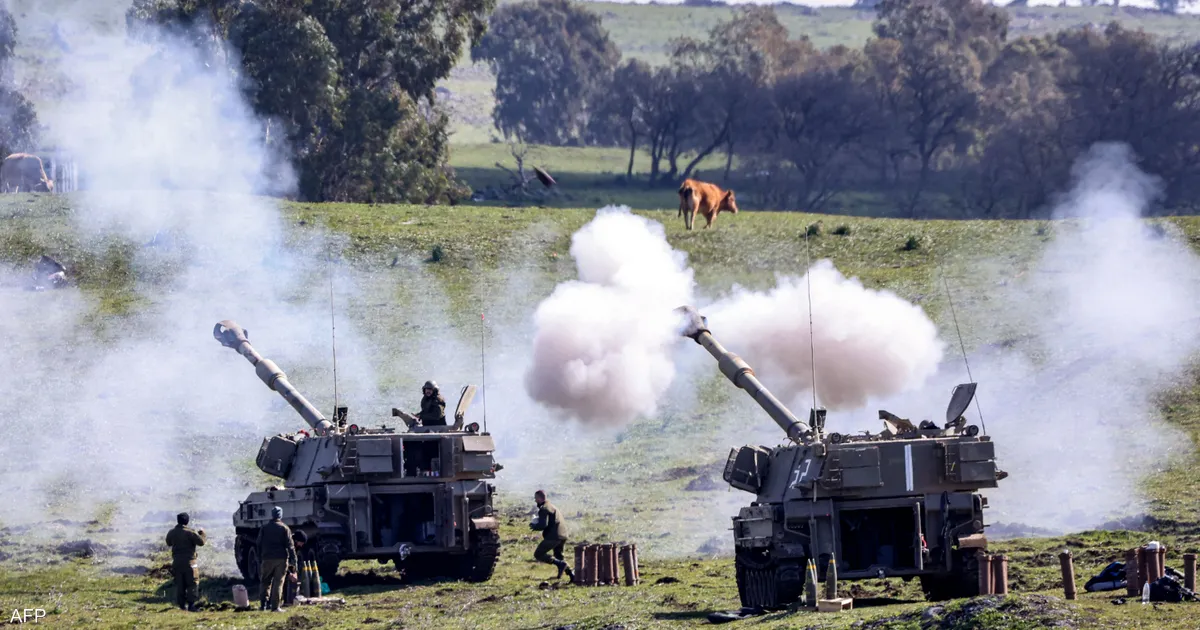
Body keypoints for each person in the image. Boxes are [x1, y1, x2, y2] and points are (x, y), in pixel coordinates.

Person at [257, 506, 296, 612]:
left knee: (265, 582)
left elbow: (258, 543)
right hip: (281, 559)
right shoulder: (284, 528)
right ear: (281, 515)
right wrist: (294, 560)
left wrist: (259, 557)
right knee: (278, 583)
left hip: (266, 558)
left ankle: (263, 605)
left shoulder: (264, 528)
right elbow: (290, 545)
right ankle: (275, 607)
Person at [530, 490, 574, 582]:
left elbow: (543, 525)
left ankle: (560, 564)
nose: (535, 501)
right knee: (559, 556)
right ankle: (572, 575)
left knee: (538, 554)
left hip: (553, 536)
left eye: (536, 498)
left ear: (539, 498)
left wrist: (534, 526)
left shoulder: (544, 508)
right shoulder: (552, 506)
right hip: (562, 535)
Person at [165, 512, 206, 611]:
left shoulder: (172, 532)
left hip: (177, 562)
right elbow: (201, 542)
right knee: (192, 583)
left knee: (180, 584)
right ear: (187, 521)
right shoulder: (190, 532)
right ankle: (191, 605)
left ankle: (182, 606)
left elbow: (168, 542)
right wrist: (202, 533)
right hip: (190, 562)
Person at [284, 530, 316, 605]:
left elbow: (294, 560)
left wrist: (294, 571)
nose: (301, 545)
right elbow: (284, 561)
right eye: (301, 543)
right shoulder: (287, 544)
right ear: (296, 540)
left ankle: (288, 600)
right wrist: (290, 573)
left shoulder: (295, 545)